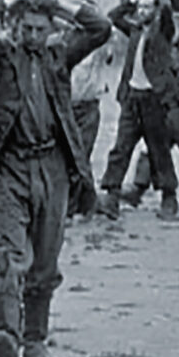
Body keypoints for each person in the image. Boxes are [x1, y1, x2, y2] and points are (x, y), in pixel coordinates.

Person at [0, 0, 111, 357]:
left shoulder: (58, 55)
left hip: (52, 165)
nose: (32, 35)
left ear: (50, 30)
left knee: (45, 258)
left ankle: (35, 338)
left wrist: (58, 4)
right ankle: (7, 333)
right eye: (25, 28)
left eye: (39, 29)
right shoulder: (2, 55)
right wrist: (10, 2)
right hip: (9, 163)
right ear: (15, 27)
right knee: (8, 254)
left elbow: (101, 28)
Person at [96, 0, 179, 220]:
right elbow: (113, 17)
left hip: (154, 99)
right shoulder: (134, 30)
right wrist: (131, 1)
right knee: (121, 148)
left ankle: (169, 196)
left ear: (156, 11)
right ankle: (112, 195)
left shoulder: (163, 33)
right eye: (141, 8)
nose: (142, 11)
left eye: (148, 8)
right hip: (132, 97)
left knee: (159, 150)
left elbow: (166, 14)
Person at [67, 36, 114, 222]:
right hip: (67, 106)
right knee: (74, 157)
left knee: (81, 155)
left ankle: (76, 206)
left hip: (88, 106)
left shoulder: (99, 47)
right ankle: (86, 202)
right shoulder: (67, 45)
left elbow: (109, 25)